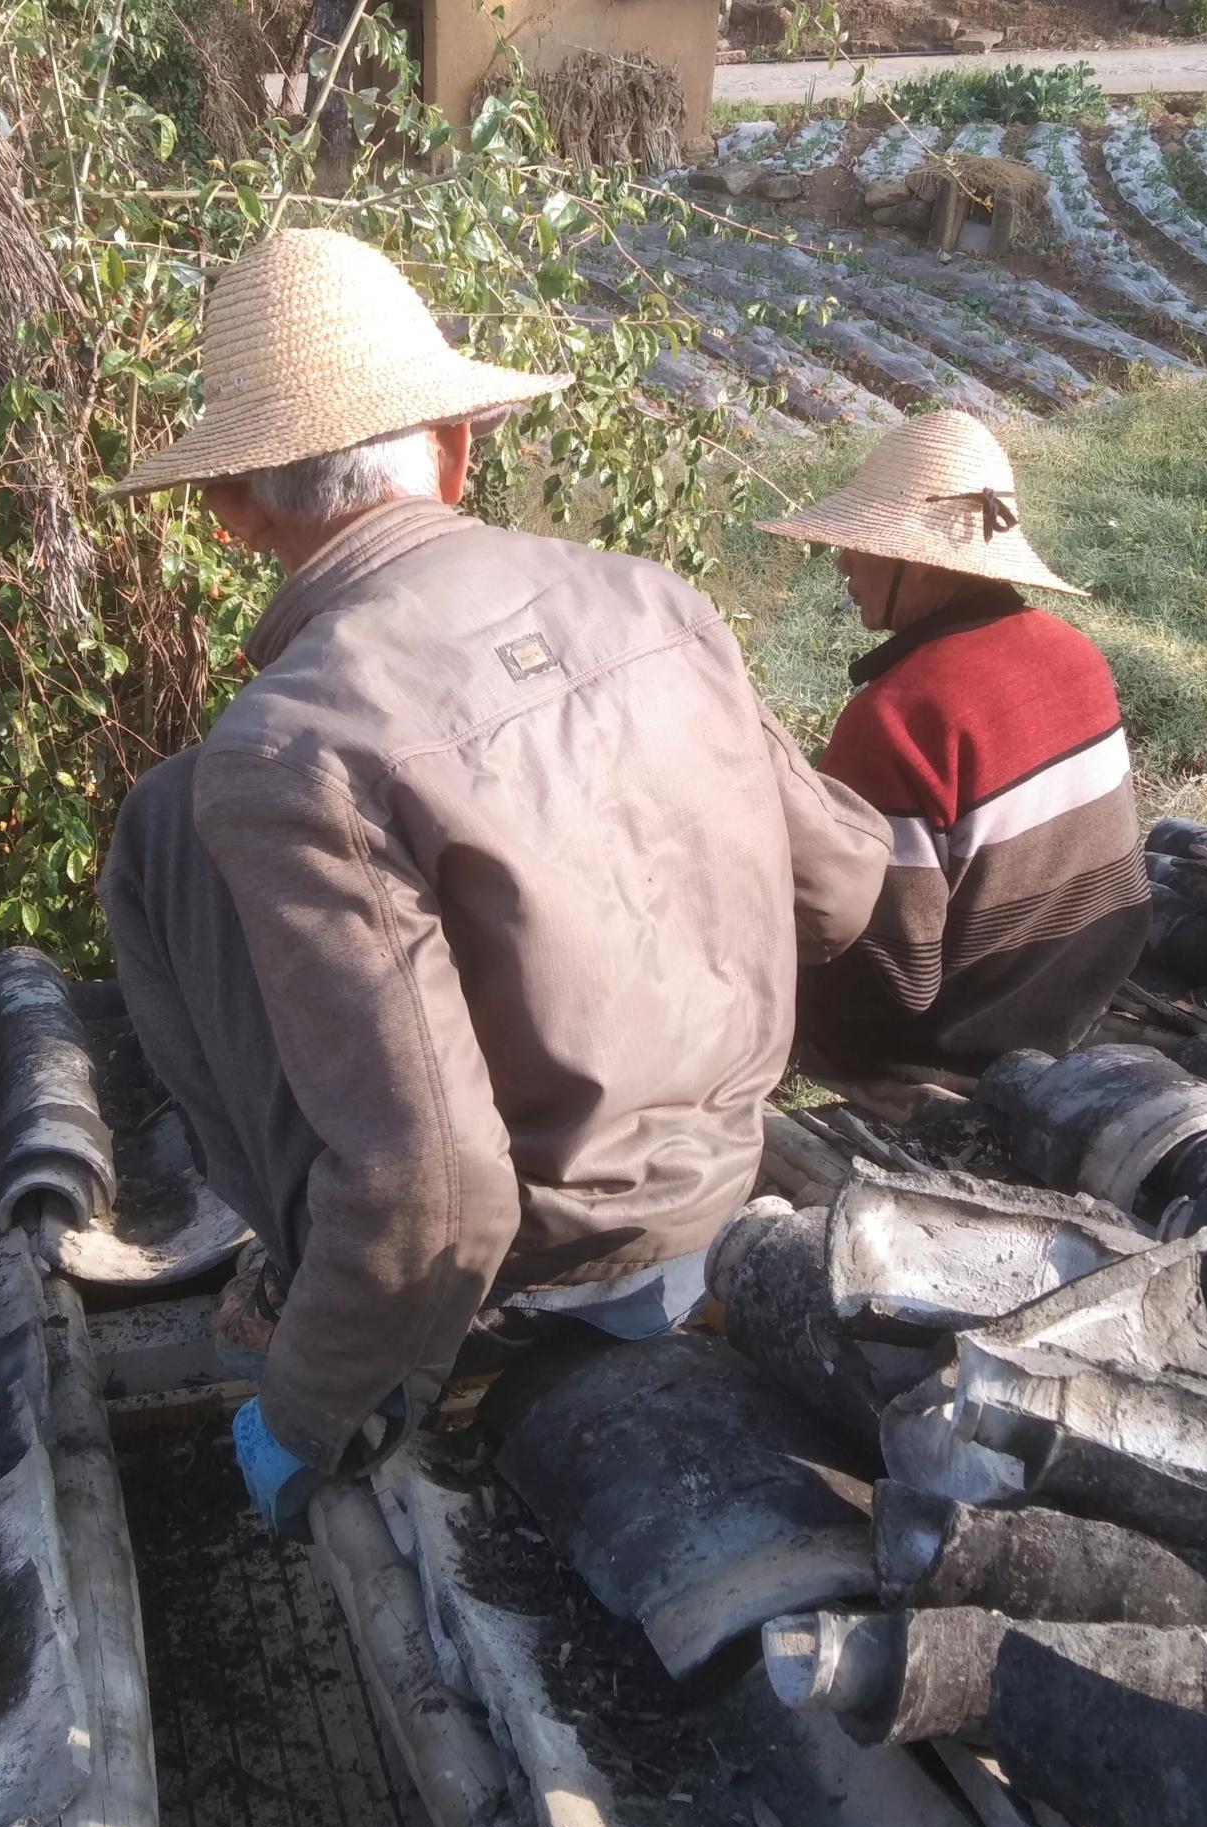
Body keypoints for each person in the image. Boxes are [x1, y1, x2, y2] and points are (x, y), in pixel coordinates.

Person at [101, 227, 890, 1528]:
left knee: (162, 825)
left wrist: (302, 1417)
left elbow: (438, 1189)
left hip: (515, 1277)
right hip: (720, 1193)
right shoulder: (658, 601)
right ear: (460, 447)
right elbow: (847, 889)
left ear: (228, 506)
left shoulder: (285, 748)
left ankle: (313, 1282)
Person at [759, 409, 1150, 1110]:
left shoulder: (899, 716)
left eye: (863, 543)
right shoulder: (1077, 656)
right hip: (1083, 995)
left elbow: (892, 979)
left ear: (921, 560)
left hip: (955, 1054)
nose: (844, 559)